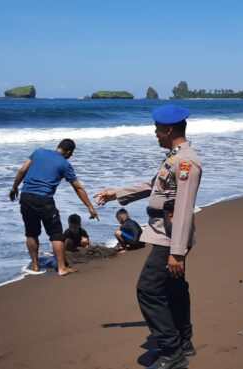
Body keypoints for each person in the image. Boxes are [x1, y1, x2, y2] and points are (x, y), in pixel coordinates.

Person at [94, 105, 202, 369]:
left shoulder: (186, 162)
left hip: (170, 237)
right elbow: (154, 186)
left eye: (157, 130)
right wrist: (117, 193)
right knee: (174, 289)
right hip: (166, 234)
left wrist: (177, 252)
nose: (155, 134)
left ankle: (171, 351)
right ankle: (183, 342)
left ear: (168, 130)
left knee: (148, 289)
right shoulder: (174, 157)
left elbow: (184, 208)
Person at [10, 139, 98, 276]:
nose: (71, 156)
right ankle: (62, 268)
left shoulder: (38, 152)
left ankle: (35, 266)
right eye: (71, 154)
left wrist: (14, 187)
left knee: (31, 233)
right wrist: (90, 207)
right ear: (68, 152)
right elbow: (78, 187)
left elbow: (22, 170)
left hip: (26, 196)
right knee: (56, 234)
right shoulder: (65, 164)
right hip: (44, 199)